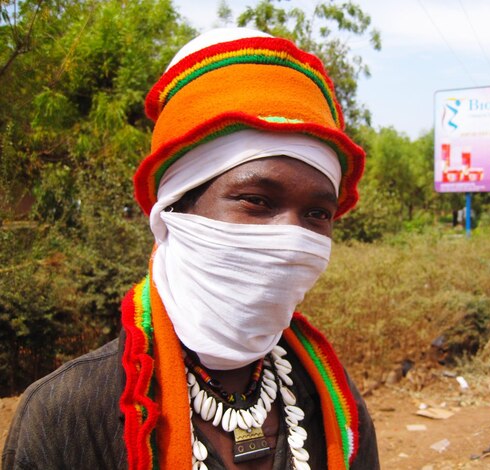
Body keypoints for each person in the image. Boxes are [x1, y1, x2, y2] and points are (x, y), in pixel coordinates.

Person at [2, 28, 379, 470]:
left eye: (317, 214)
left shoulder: (333, 400)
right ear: (174, 211)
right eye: (257, 201)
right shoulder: (70, 413)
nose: (292, 237)